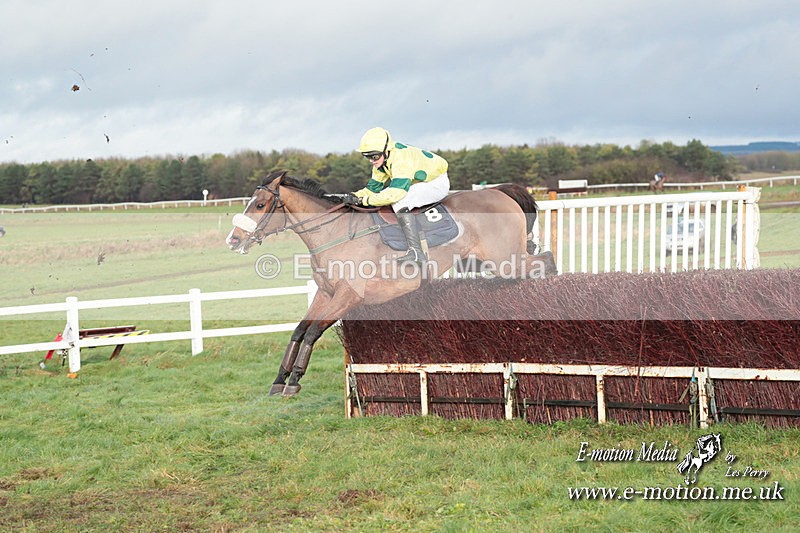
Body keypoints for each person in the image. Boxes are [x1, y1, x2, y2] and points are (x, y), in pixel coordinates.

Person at [344, 127, 450, 264]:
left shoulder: (401, 160)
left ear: (386, 150)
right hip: (419, 182)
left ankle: (416, 252)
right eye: (367, 157)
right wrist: (354, 196)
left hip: (436, 183)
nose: (371, 160)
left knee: (400, 202)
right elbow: (372, 189)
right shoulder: (382, 161)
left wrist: (364, 200)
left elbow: (395, 194)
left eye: (374, 156)